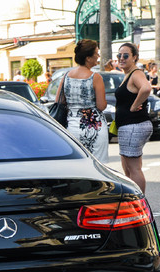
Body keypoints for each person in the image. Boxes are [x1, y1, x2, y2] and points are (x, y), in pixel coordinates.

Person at [56, 39, 108, 163]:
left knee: (78, 165)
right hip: (94, 129)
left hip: (72, 127)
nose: (98, 56)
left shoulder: (66, 76)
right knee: (97, 165)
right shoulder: (95, 77)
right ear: (88, 58)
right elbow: (101, 106)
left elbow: (59, 100)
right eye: (96, 53)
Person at [114, 42, 153, 193]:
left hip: (134, 125)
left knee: (134, 169)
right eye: (119, 55)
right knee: (129, 169)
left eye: (125, 55)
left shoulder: (136, 73)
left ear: (135, 57)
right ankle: (135, 203)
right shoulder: (128, 74)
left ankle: (140, 205)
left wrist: (134, 105)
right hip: (130, 126)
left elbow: (146, 88)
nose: (121, 58)